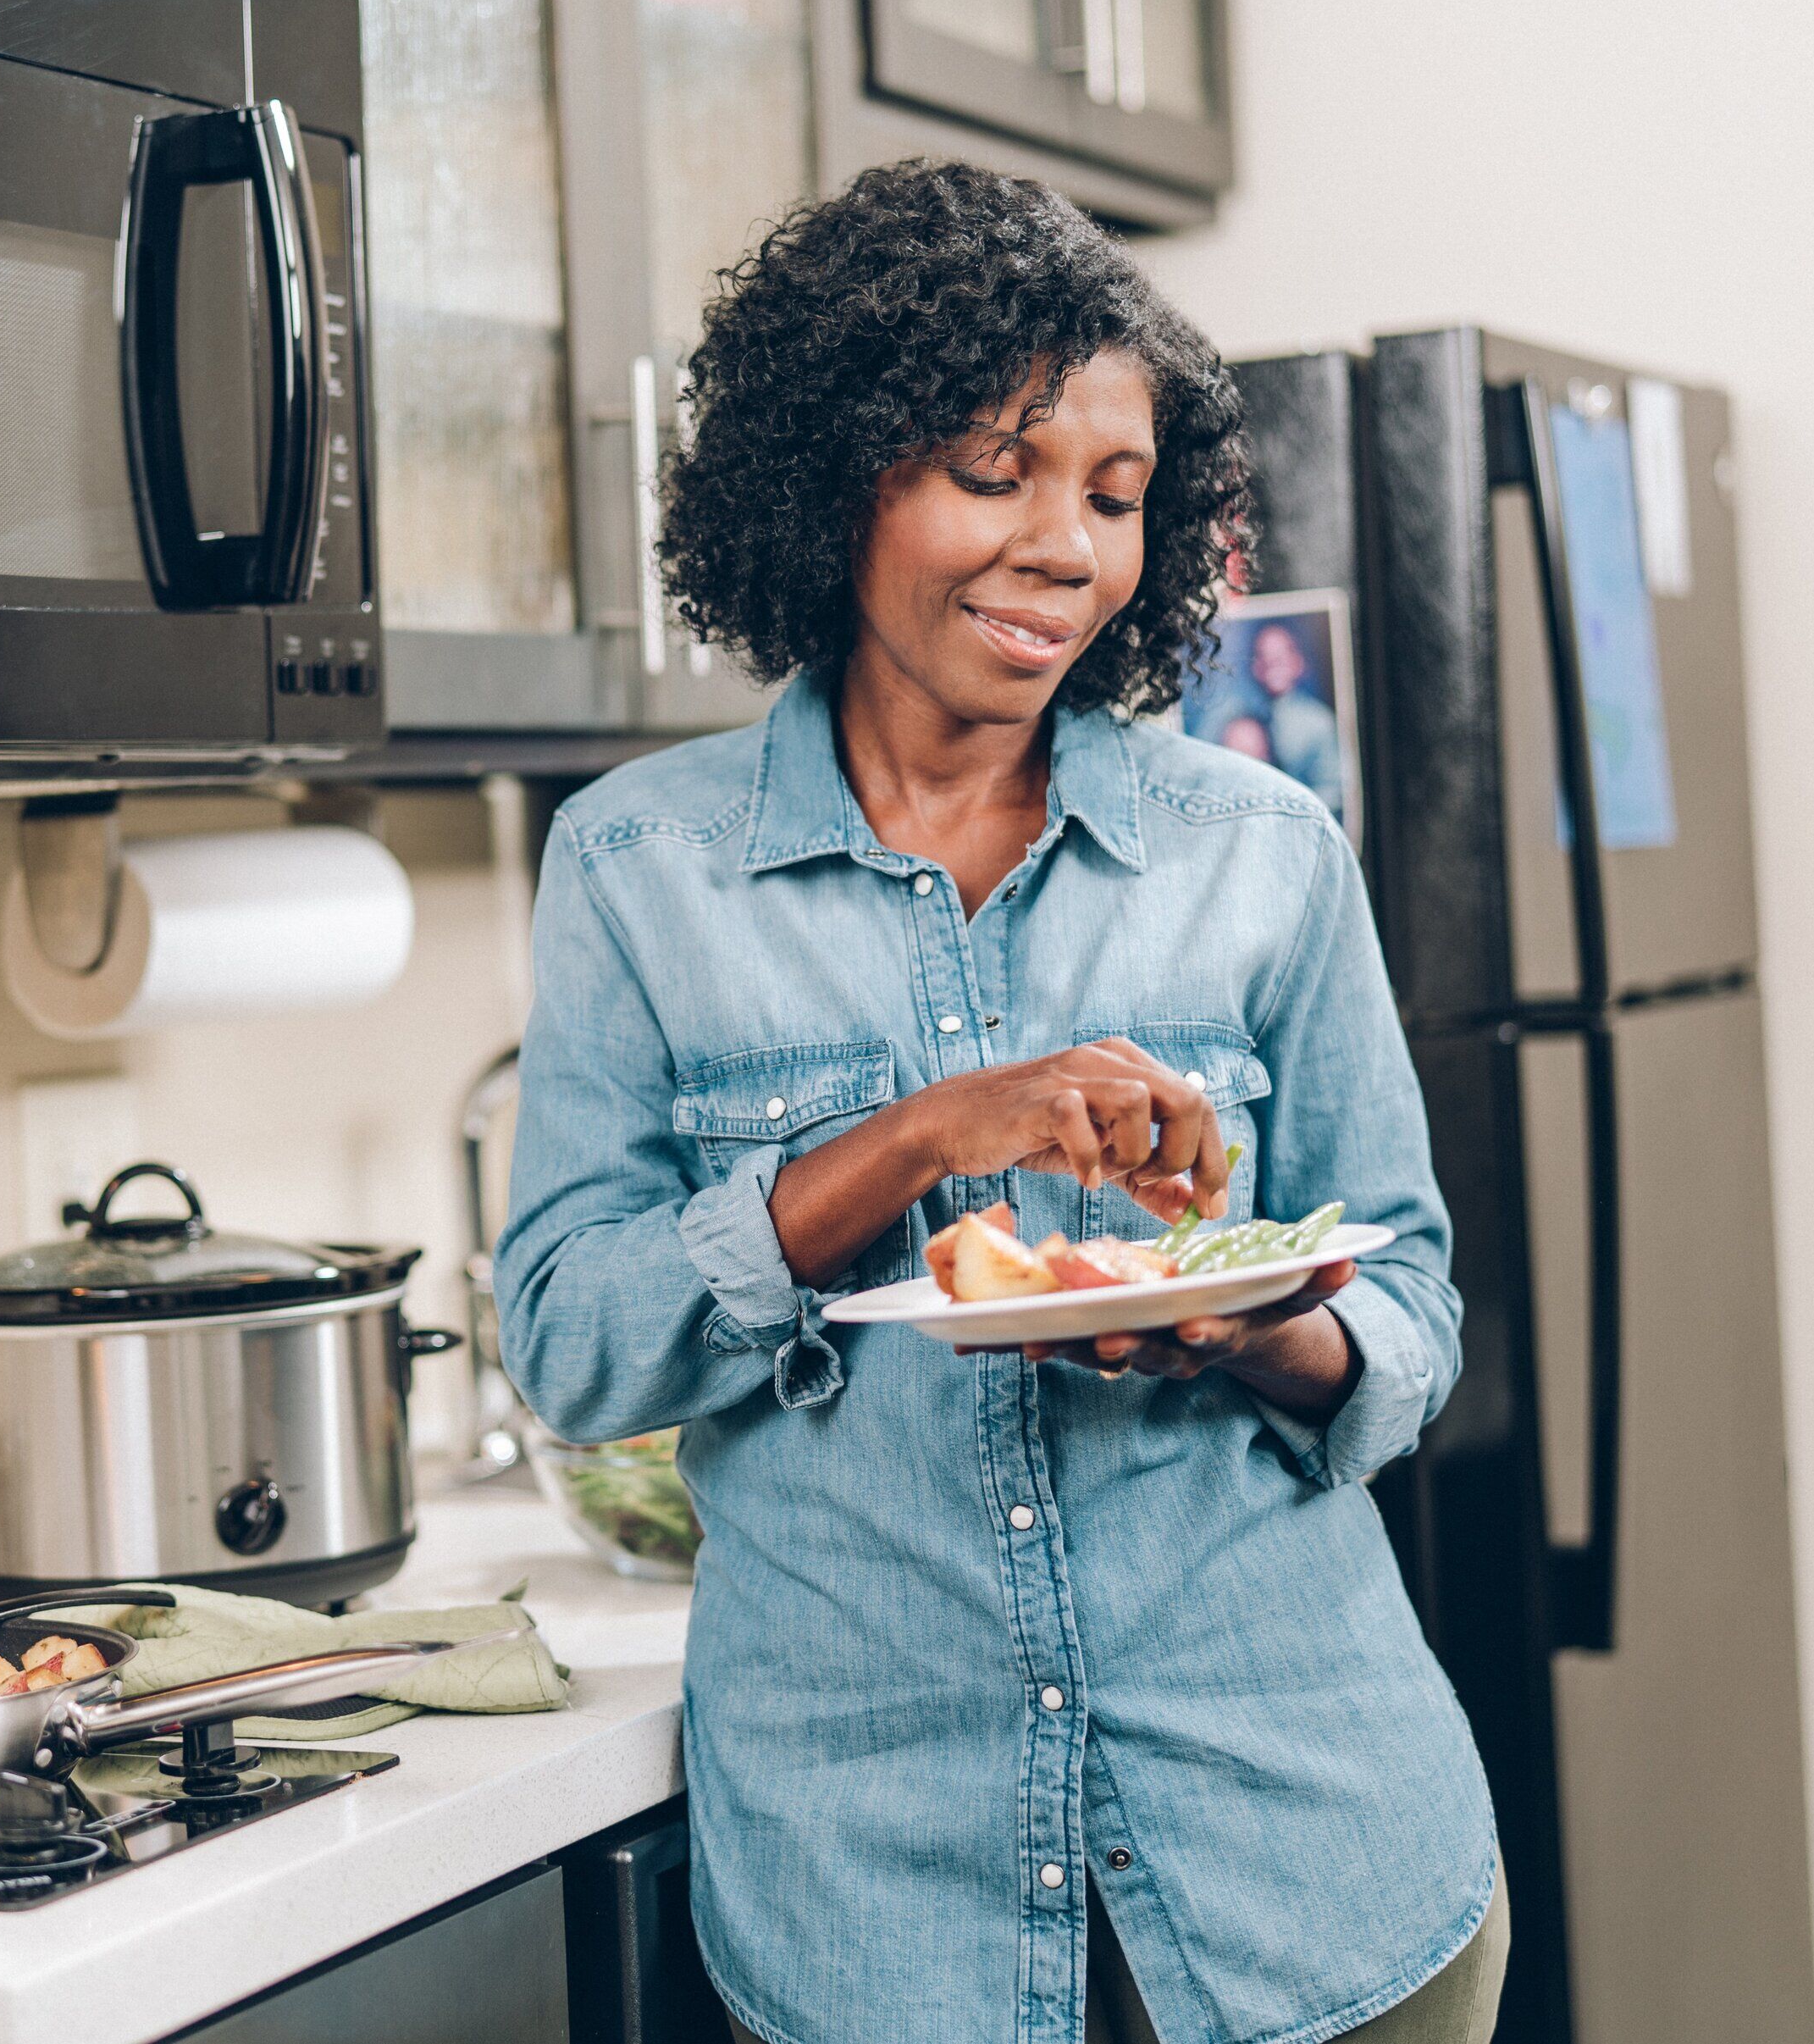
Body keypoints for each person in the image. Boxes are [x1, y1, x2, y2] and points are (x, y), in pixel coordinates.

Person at [495, 160, 1504, 2044]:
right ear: (836, 477)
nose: (1064, 546)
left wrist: (1250, 1322)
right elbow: (573, 1341)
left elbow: (1412, 1309)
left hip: (1308, 1868)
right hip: (884, 1920)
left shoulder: (1261, 850)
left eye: (1114, 497)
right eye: (993, 470)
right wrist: (917, 1135)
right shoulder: (638, 870)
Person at [1247, 619, 1347, 815]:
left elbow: (1335, 790)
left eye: (1280, 658)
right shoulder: (1242, 718)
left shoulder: (1320, 722)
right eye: (1263, 657)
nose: (1271, 665)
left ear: (1298, 662)